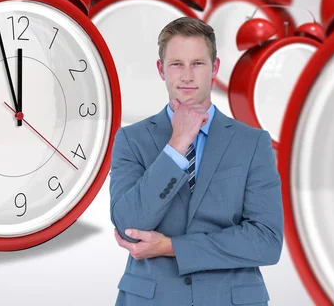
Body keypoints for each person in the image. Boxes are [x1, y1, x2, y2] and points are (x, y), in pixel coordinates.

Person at [109, 16, 284, 306]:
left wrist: (171, 247)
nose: (187, 76)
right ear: (161, 70)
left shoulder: (252, 143)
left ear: (214, 68)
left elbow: (267, 242)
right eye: (176, 64)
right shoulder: (131, 139)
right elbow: (129, 223)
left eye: (198, 64)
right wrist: (177, 144)